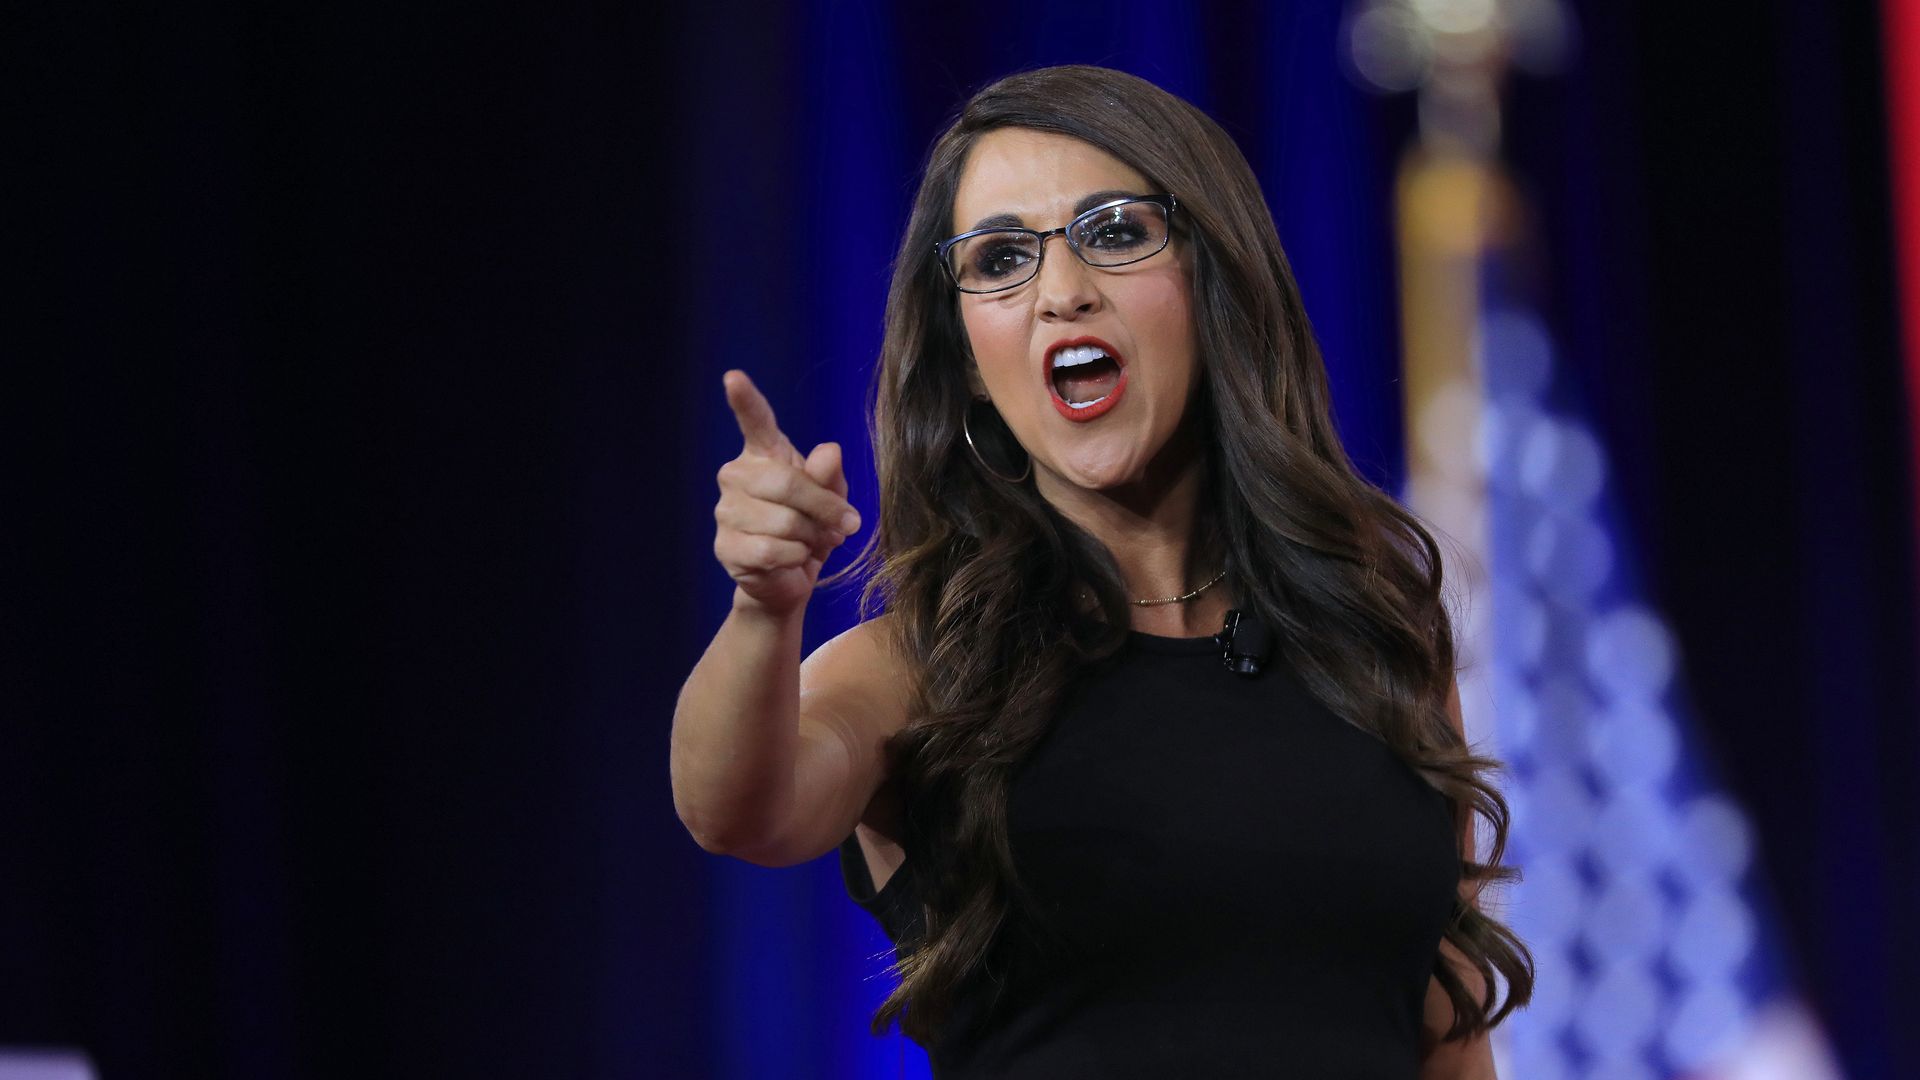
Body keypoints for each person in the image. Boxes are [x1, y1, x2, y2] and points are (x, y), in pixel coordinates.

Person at [671, 65, 1532, 1078]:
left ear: (1218, 282)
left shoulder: (1373, 629)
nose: (1061, 291)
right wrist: (762, 611)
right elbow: (740, 808)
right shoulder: (922, 668)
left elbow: (1450, 1037)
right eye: (1000, 259)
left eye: (1117, 231)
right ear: (967, 361)